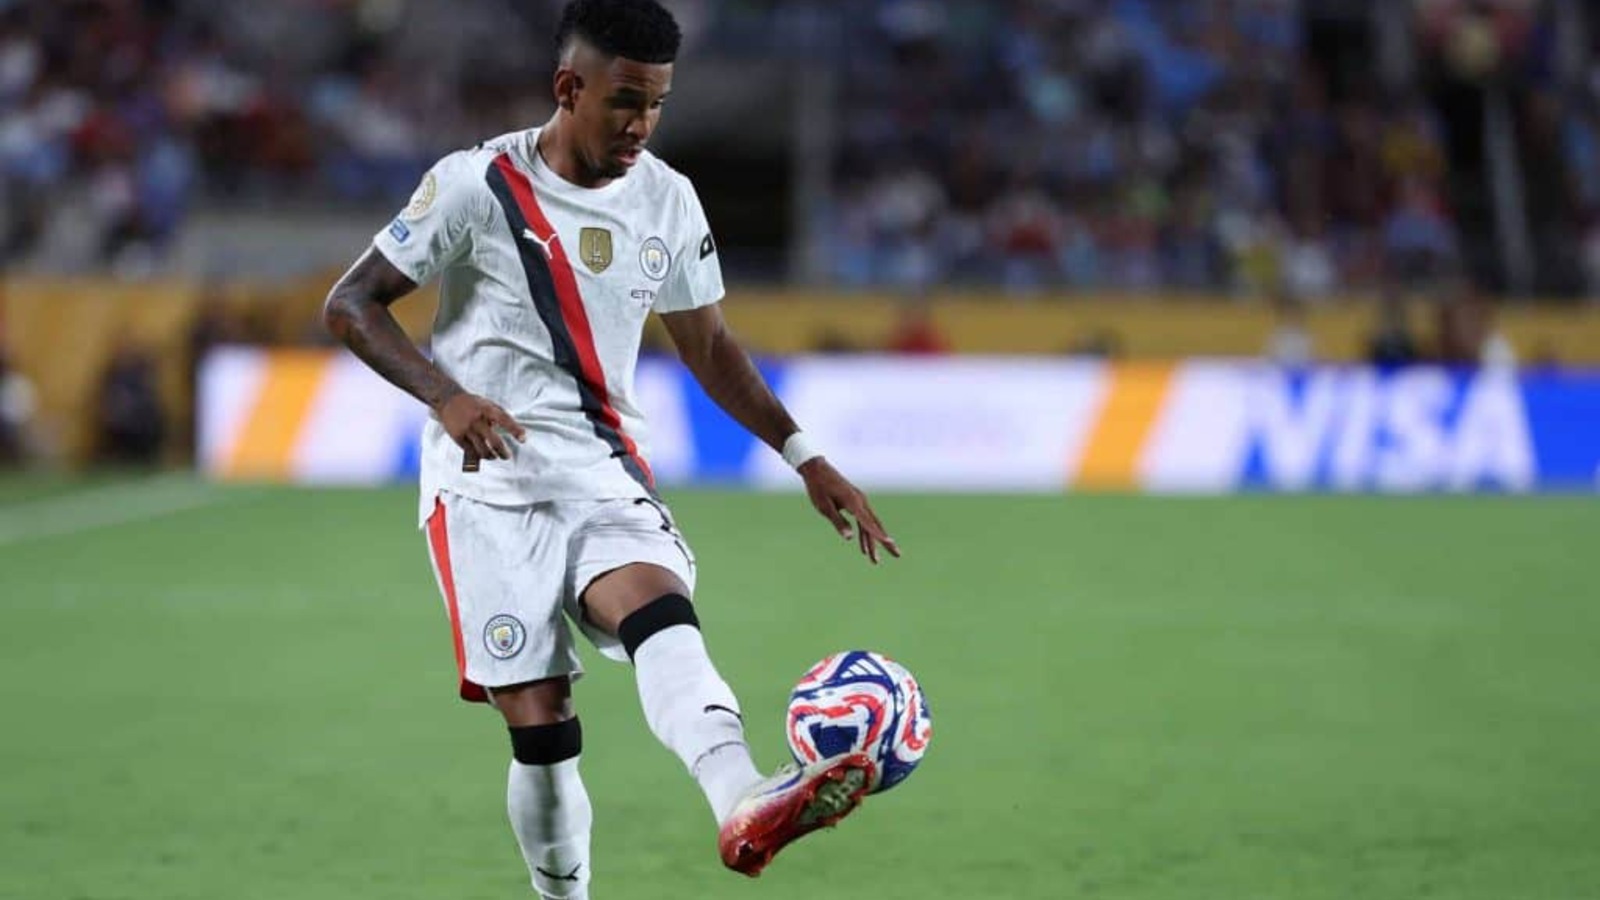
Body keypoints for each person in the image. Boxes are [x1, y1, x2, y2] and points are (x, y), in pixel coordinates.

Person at [320, 2, 899, 897]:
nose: (642, 124)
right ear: (569, 87)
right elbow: (350, 304)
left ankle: (743, 799)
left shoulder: (667, 198)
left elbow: (711, 347)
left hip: (601, 472)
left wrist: (805, 456)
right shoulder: (476, 186)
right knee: (545, 730)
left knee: (661, 613)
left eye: (657, 104)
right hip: (483, 494)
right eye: (626, 100)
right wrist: (446, 396)